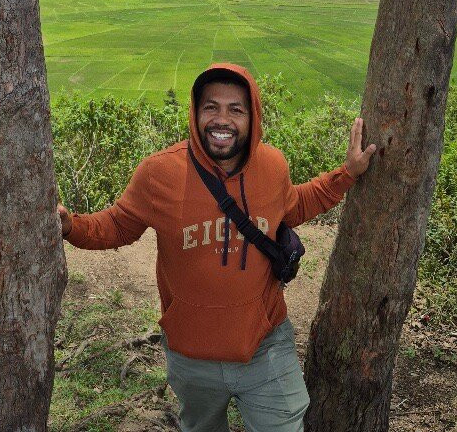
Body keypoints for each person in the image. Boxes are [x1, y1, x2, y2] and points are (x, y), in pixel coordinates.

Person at [58, 63, 376, 432]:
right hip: (191, 356)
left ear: (252, 116)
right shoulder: (159, 173)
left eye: (235, 109)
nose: (221, 120)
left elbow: (296, 205)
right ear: (195, 113)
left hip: (265, 347)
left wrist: (347, 173)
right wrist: (71, 226)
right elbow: (116, 226)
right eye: (211, 107)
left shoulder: (272, 166)